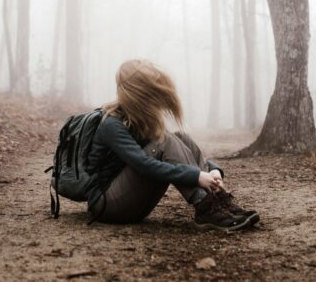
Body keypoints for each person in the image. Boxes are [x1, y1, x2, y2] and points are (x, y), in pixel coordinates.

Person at [84, 59, 259, 231]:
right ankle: (205, 207)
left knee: (181, 137)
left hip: (129, 202)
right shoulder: (112, 124)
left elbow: (176, 151)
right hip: (106, 206)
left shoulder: (139, 118)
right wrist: (196, 176)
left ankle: (218, 200)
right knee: (165, 140)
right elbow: (144, 165)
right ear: (137, 92)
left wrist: (213, 170)